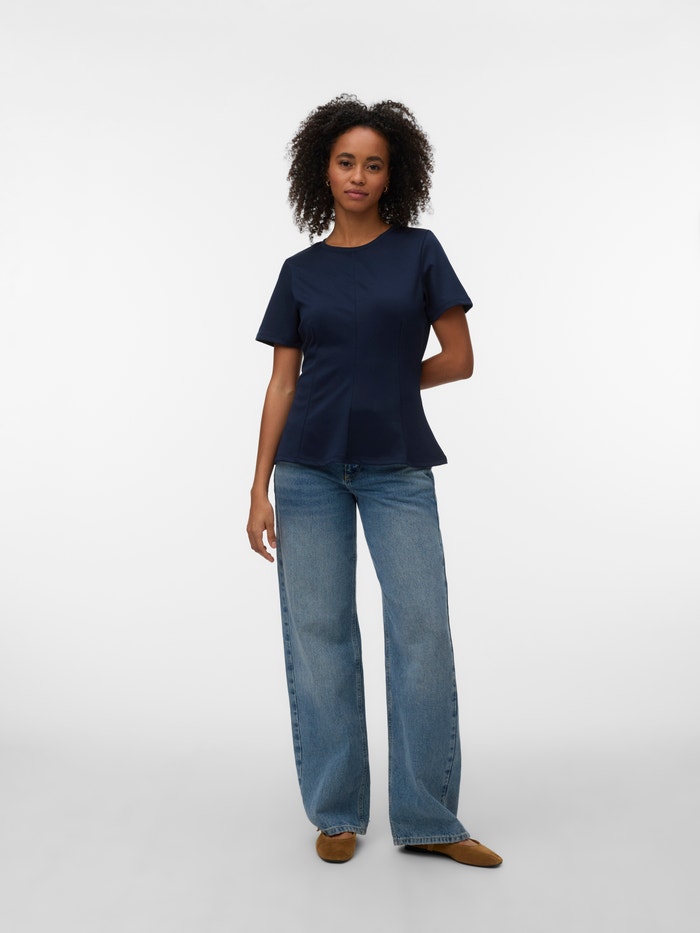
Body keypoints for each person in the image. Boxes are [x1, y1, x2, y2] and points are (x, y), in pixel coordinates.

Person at [246, 94, 502, 868]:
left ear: (394, 176)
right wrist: (257, 487)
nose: (358, 175)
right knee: (319, 636)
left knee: (422, 632)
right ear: (322, 171)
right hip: (306, 469)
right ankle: (336, 812)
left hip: (396, 466)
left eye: (374, 164)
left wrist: (390, 384)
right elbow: (282, 383)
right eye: (346, 162)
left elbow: (459, 358)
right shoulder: (299, 272)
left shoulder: (420, 252)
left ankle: (429, 819)